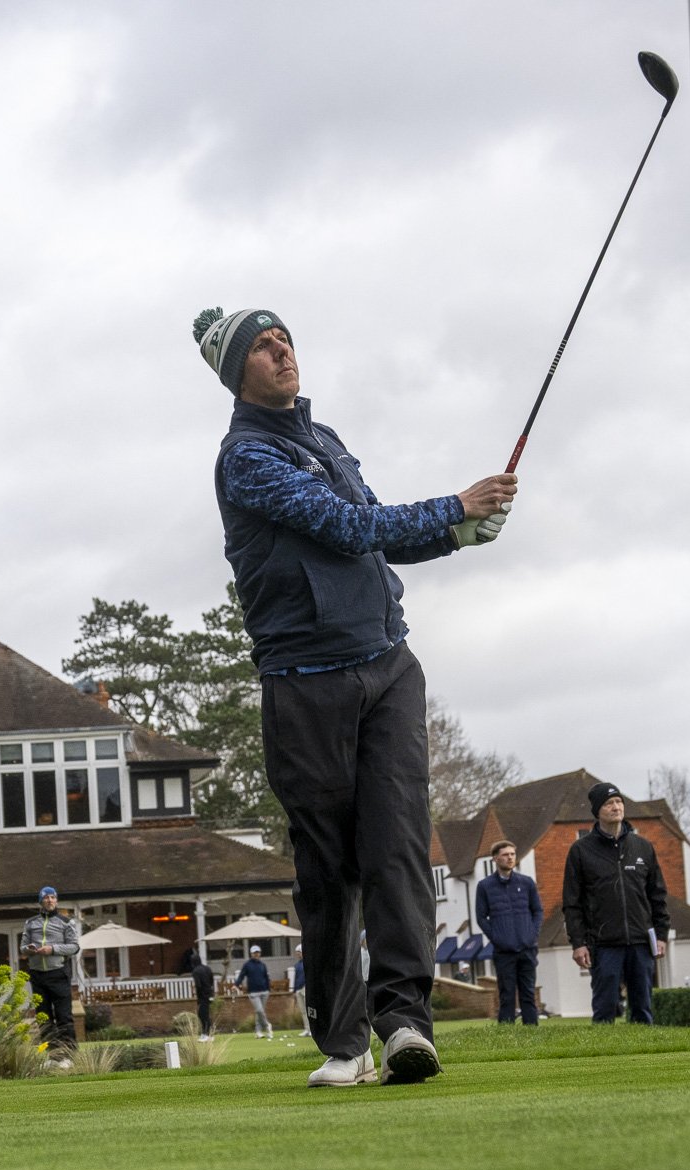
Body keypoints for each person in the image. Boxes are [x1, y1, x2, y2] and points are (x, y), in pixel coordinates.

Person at [195, 306, 517, 1088]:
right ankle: (344, 1043)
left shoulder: (325, 440)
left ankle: (405, 1022)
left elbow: (372, 530)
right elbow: (343, 527)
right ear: (237, 372)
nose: (281, 353)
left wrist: (457, 533)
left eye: (285, 341)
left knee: (400, 851)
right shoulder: (245, 457)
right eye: (262, 348)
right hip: (305, 686)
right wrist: (454, 505)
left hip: (388, 668)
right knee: (330, 869)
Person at [563, 782, 670, 1024]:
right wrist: (578, 943)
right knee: (605, 1008)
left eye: (619, 802)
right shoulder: (581, 851)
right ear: (597, 811)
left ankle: (645, 1056)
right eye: (609, 803)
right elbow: (572, 903)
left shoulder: (642, 847)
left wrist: (661, 934)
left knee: (642, 1008)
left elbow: (657, 895)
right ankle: (604, 1058)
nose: (616, 807)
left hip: (641, 941)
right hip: (603, 944)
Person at [475, 840, 544, 1025]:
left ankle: (532, 1031)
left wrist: (532, 933)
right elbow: (481, 918)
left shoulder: (527, 883)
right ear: (495, 859)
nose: (510, 858)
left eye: (512, 854)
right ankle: (506, 1033)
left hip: (527, 947)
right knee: (506, 994)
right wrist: (497, 937)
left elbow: (537, 911)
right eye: (505, 855)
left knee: (528, 993)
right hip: (504, 951)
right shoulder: (485, 886)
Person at [21, 886, 81, 1055]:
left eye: (53, 897)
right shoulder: (31, 923)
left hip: (58, 974)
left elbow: (74, 947)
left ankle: (70, 1055)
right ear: (41, 901)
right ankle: (51, 1055)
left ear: (56, 900)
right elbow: (22, 947)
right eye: (46, 898)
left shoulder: (66, 922)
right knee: (44, 1018)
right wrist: (30, 949)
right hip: (37, 975)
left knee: (64, 1017)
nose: (50, 900)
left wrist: (52, 949)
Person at [238, 945, 275, 1039]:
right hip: (253, 992)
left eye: (258, 952)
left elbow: (266, 977)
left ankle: (258, 1031)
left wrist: (268, 989)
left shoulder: (263, 965)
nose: (256, 954)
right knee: (259, 1010)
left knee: (259, 1012)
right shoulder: (247, 965)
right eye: (255, 953)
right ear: (251, 954)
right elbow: (241, 975)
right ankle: (267, 1025)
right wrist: (236, 984)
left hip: (264, 992)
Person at [190, 950, 216, 1040]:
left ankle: (206, 1034)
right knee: (206, 1014)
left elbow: (198, 985)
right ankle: (209, 1034)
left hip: (203, 996)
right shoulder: (207, 968)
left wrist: (198, 996)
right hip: (210, 993)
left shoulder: (195, 971)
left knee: (202, 1015)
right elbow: (212, 980)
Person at [290, 945, 309, 1036]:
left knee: (309, 1010)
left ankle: (312, 1030)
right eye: (297, 952)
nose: (298, 954)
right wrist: (294, 990)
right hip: (298, 989)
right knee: (303, 1011)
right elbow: (296, 978)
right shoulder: (297, 965)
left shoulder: (308, 963)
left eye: (299, 952)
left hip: (306, 988)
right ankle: (307, 1029)